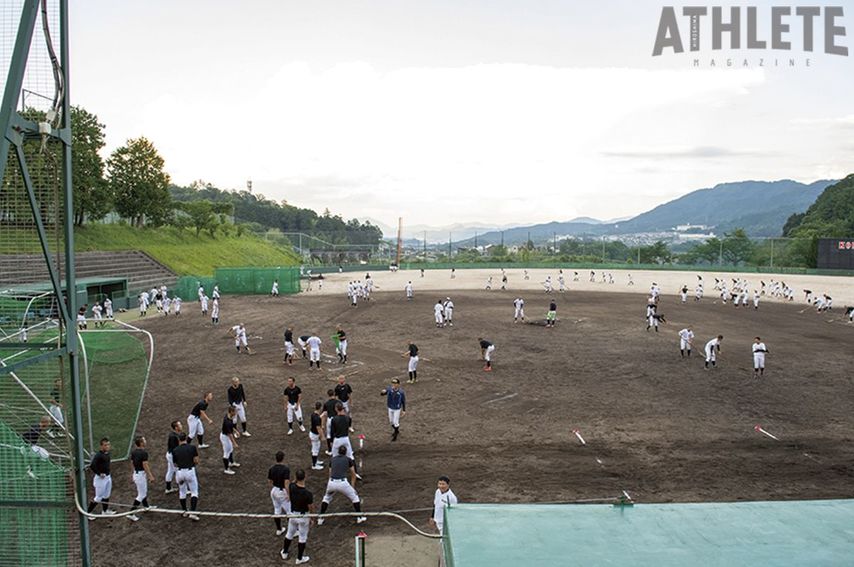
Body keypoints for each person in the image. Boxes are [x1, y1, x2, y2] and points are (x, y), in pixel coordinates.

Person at [317, 445, 367, 526]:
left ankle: (320, 518)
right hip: (343, 483)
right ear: (346, 452)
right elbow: (353, 475)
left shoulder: (332, 459)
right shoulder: (348, 459)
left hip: (332, 482)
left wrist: (330, 484)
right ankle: (359, 517)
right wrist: (352, 488)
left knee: (326, 498)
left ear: (338, 452)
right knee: (355, 498)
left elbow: (330, 474)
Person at [280, 469, 315, 564]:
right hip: (303, 517)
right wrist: (312, 518)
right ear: (305, 477)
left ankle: (285, 552)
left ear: (295, 478)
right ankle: (299, 559)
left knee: (289, 533)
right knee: (302, 537)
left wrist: (295, 479)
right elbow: (311, 507)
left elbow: (291, 483)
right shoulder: (308, 494)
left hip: (292, 515)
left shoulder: (291, 487)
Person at [171, 432, 201, 521]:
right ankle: (192, 512)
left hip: (180, 473)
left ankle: (184, 511)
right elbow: (196, 461)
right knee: (194, 492)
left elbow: (175, 464)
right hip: (190, 471)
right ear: (185, 438)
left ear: (179, 440)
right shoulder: (192, 448)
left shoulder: (175, 450)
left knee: (182, 492)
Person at [127, 436, 154, 522]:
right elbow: (145, 465)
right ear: (141, 443)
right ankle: (131, 513)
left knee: (143, 492)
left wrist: (133, 472)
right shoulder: (144, 453)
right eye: (144, 440)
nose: (146, 441)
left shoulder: (134, 452)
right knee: (141, 495)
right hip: (140, 475)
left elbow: (132, 463)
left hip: (137, 474)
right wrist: (150, 475)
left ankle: (146, 507)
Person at [86, 438, 115, 519]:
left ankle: (105, 511)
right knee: (98, 497)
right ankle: (88, 513)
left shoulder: (107, 453)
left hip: (108, 477)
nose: (107, 446)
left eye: (108, 444)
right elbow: (92, 465)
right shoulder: (99, 455)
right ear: (101, 446)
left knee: (106, 495)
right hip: (100, 479)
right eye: (105, 445)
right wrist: (99, 473)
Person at [269, 451, 291, 535]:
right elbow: (286, 483)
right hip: (282, 491)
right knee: (289, 511)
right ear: (283, 458)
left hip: (274, 490)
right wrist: (288, 494)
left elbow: (270, 481)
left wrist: (274, 488)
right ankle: (294, 531)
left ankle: (279, 529)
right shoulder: (285, 469)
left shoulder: (272, 468)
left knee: (277, 510)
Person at [220, 406, 241, 475]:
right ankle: (226, 469)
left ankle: (231, 462)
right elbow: (230, 435)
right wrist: (234, 443)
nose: (236, 413)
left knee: (230, 449)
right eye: (234, 411)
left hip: (226, 435)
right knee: (226, 452)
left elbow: (231, 427)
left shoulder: (229, 416)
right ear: (231, 412)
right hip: (225, 437)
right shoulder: (227, 421)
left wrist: (236, 431)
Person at [165, 420, 182, 494]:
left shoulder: (174, 435)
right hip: (172, 456)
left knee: (170, 471)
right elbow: (174, 449)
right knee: (177, 471)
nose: (181, 426)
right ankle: (182, 489)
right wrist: (176, 460)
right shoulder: (174, 437)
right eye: (179, 425)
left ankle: (168, 488)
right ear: (176, 427)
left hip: (170, 455)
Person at [308, 402, 326, 470]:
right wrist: (322, 436)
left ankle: (315, 461)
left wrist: (322, 415)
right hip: (315, 435)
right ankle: (314, 465)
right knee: (315, 449)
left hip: (312, 433)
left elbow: (318, 418)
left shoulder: (313, 414)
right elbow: (319, 428)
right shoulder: (317, 418)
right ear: (320, 408)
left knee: (314, 448)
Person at [322, 390, 339, 456]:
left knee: (329, 435)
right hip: (337, 419)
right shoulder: (338, 402)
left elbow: (324, 414)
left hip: (329, 420)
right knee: (338, 433)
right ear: (334, 394)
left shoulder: (326, 403)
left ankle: (330, 450)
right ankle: (337, 449)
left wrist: (323, 424)